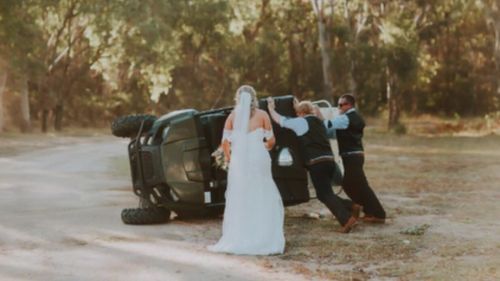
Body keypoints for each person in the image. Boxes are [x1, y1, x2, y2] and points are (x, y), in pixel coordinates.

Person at [208, 85, 285, 255]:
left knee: (241, 195)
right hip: (259, 158)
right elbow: (271, 141)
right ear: (254, 98)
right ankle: (265, 236)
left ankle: (242, 235)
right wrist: (261, 145)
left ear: (237, 98)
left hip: (240, 162)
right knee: (262, 192)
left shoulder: (233, 117)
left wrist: (229, 158)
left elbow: (225, 143)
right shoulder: (263, 115)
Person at [267, 97, 358, 233]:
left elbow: (280, 120)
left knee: (324, 194)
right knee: (325, 193)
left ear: (300, 113)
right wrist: (300, 106)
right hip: (329, 161)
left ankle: (346, 220)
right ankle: (352, 206)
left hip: (317, 163)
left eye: (297, 113)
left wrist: (270, 108)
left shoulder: (301, 122)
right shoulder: (319, 122)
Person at [320, 94, 386, 223]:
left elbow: (326, 124)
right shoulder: (352, 118)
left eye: (341, 105)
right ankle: (366, 210)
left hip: (352, 156)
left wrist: (316, 113)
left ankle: (378, 214)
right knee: (349, 185)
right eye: (338, 104)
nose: (338, 107)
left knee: (360, 185)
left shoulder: (345, 118)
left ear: (349, 105)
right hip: (353, 156)